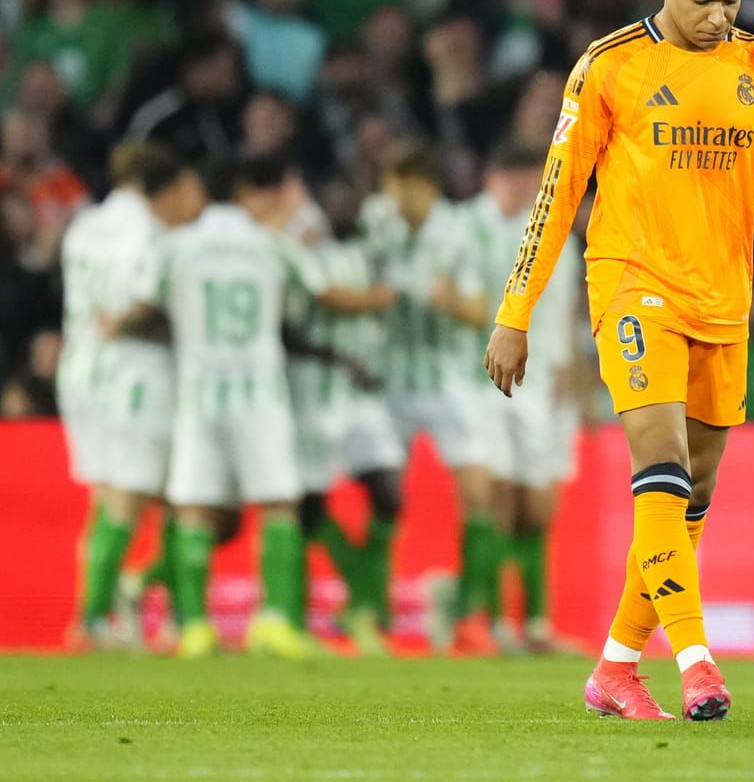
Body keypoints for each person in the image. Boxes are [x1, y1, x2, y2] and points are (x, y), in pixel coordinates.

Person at [485, 0, 754, 720]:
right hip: (631, 285)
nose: (719, 16)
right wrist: (515, 313)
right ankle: (697, 664)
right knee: (662, 463)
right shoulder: (610, 66)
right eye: (701, 1)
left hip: (724, 302)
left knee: (692, 497)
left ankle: (616, 668)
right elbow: (556, 200)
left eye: (731, 0)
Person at [114, 153, 390, 659]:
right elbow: (326, 295)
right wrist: (381, 297)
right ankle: (277, 623)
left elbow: (140, 307)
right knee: (278, 504)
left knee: (196, 509)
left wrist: (115, 326)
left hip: (199, 395)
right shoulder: (271, 246)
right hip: (259, 395)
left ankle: (194, 628)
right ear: (248, 194)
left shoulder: (177, 247)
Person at [430, 141, 585, 653]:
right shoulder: (464, 226)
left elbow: (567, 307)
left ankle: (532, 623)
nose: (526, 188)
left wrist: (571, 367)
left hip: (546, 385)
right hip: (486, 381)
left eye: (532, 178)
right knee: (495, 496)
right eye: (517, 177)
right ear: (494, 176)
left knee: (538, 506)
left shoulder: (555, 227)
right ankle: (491, 621)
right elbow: (445, 292)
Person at [60, 142, 203, 648]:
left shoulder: (83, 226)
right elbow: (136, 306)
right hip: (136, 376)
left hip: (81, 371)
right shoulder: (148, 234)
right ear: (159, 188)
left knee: (109, 494)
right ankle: (97, 618)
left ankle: (145, 612)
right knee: (142, 493)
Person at [368, 144, 497, 655]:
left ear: (425, 186)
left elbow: (479, 309)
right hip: (395, 378)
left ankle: (467, 613)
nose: (393, 201)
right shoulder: (381, 229)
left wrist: (450, 301)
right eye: (389, 189)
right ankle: (373, 610)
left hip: (449, 380)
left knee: (479, 493)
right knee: (385, 494)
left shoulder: (458, 234)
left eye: (401, 190)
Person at [284, 177, 404, 655]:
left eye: (348, 197)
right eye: (332, 198)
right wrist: (339, 359)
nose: (341, 205)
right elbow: (286, 329)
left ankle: (363, 601)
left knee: (389, 495)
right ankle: (355, 601)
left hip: (364, 398)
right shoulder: (305, 257)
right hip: (314, 393)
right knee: (310, 506)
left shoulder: (372, 257)